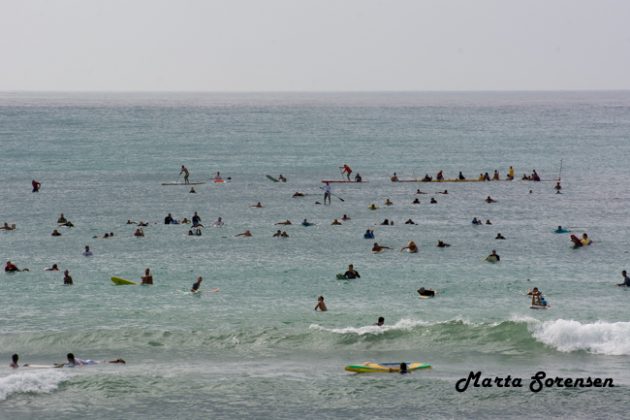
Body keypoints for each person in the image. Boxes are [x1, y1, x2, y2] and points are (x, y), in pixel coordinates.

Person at [58, 353, 125, 368]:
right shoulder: (71, 360)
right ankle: (117, 361)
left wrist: (80, 368)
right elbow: (66, 363)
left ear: (69, 358)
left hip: (89, 362)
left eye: (67, 357)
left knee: (104, 363)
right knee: (102, 362)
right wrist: (58, 365)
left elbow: (80, 364)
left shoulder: (75, 360)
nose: (67, 359)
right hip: (88, 361)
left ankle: (117, 361)